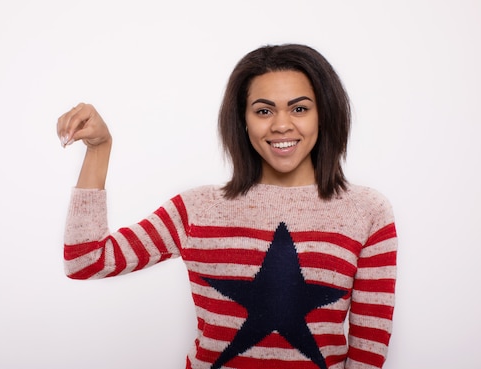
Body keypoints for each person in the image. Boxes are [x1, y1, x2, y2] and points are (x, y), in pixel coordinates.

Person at [56, 44, 397, 369]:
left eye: (299, 108)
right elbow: (86, 260)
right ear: (243, 119)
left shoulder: (367, 212)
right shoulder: (196, 209)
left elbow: (368, 350)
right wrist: (99, 148)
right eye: (264, 110)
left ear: (325, 114)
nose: (281, 124)